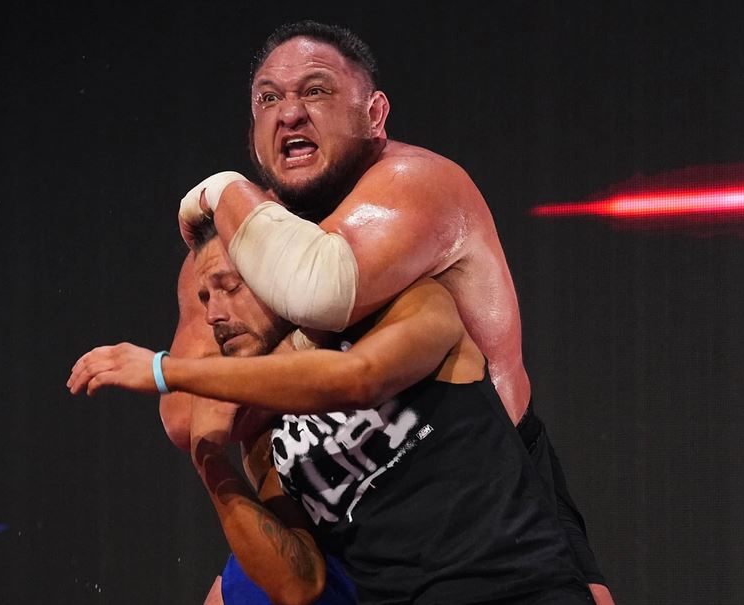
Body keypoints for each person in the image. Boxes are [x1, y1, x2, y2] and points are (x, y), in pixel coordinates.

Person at [167, 21, 614, 604]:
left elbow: (319, 293)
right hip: (344, 510)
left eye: (316, 91)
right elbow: (187, 415)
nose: (290, 113)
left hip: (483, 500)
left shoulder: (416, 183)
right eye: (268, 99)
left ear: (374, 115)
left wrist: (222, 193)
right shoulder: (229, 244)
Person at [68, 227, 591, 604]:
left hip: (517, 586)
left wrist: (167, 371)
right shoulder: (267, 444)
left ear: (277, 274)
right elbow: (297, 584)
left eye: (230, 287)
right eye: (205, 298)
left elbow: (359, 378)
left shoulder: (405, 305)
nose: (214, 315)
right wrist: (209, 460)